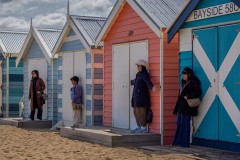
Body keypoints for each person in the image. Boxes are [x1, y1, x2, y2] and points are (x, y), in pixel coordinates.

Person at [172, 67, 202, 147]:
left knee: (185, 125)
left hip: (187, 108)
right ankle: (177, 142)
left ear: (189, 75)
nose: (183, 76)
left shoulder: (193, 82)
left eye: (185, 74)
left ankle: (184, 143)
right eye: (182, 75)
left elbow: (198, 92)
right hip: (180, 107)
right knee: (179, 124)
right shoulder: (183, 83)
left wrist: (188, 96)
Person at [131, 59, 157, 133]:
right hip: (136, 96)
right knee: (135, 111)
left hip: (141, 97)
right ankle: (138, 126)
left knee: (141, 111)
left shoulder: (145, 74)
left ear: (143, 66)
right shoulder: (138, 74)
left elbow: (147, 82)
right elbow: (137, 81)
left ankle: (143, 127)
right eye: (138, 66)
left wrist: (152, 87)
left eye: (139, 66)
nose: (138, 67)